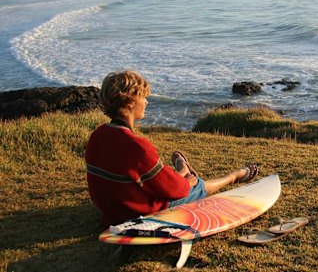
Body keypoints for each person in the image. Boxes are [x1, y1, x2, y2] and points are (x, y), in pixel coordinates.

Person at [85, 70, 258, 227]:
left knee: (173, 178)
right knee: (197, 184)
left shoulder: (97, 135)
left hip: (113, 212)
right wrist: (187, 182)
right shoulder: (137, 147)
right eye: (143, 97)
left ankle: (181, 169)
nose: (146, 102)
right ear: (130, 102)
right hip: (137, 214)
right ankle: (234, 176)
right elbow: (173, 190)